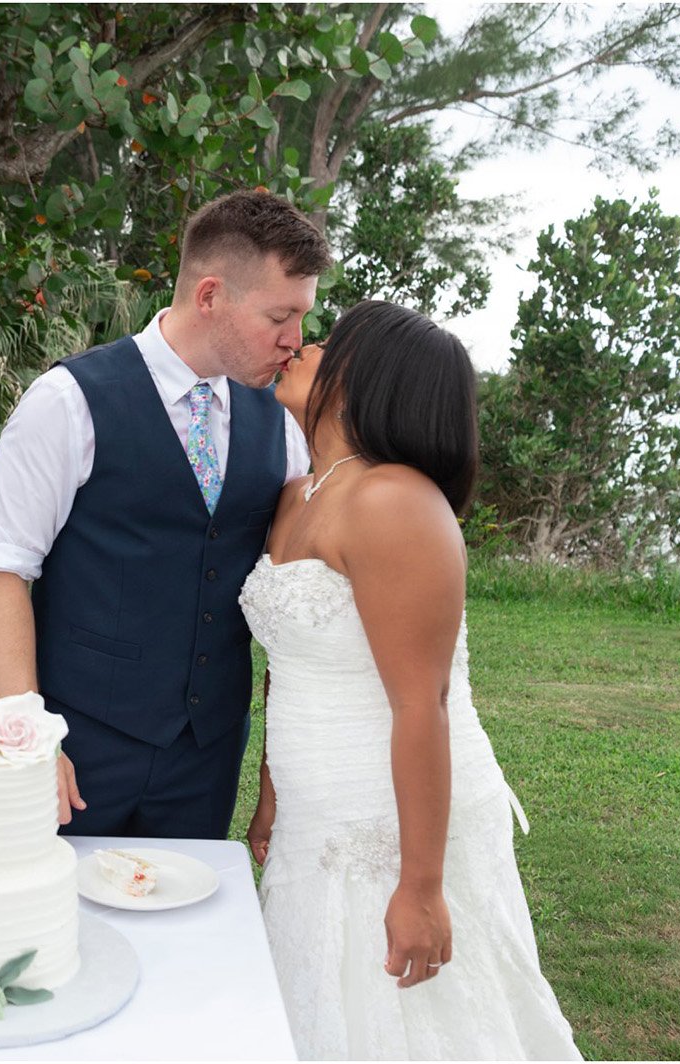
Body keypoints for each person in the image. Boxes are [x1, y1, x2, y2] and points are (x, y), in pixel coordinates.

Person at [242, 300, 580, 1059]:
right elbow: (287, 666)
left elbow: (422, 701)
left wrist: (421, 886)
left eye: (333, 343)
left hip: (394, 821)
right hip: (314, 811)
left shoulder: (394, 501)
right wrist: (271, 796)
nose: (307, 345)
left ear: (369, 383)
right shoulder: (297, 495)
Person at [0, 189, 323, 837]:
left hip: (208, 754)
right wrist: (30, 733)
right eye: (281, 316)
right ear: (210, 295)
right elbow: (1, 567)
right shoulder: (68, 400)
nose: (294, 342)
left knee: (191, 903)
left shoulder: (283, 427)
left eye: (302, 317)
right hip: (78, 744)